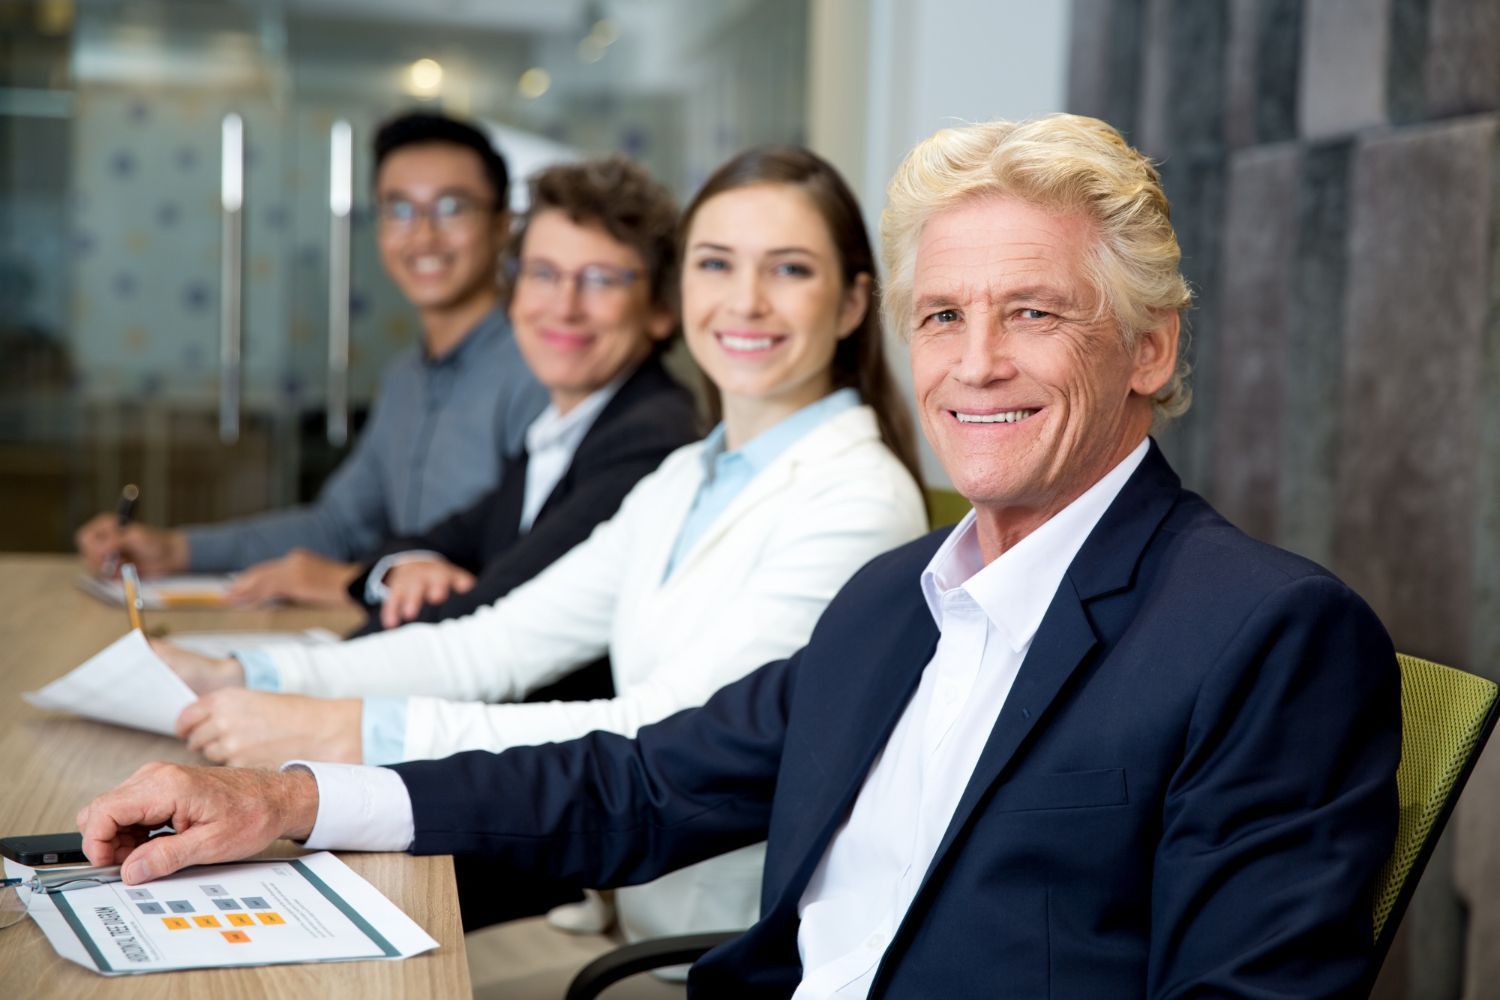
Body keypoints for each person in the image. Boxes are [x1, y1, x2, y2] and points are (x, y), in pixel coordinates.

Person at [79, 115, 1401, 997]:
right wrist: (294, 802)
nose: (975, 362)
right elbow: (640, 779)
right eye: (945, 316)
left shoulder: (1268, 637)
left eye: (1035, 314)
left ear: (1149, 351)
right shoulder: (903, 599)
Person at [145, 146, 929, 945]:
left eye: (790, 270)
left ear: (852, 303)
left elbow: (658, 737)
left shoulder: (857, 501)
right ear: (684, 288)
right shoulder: (688, 475)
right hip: (627, 908)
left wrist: (342, 733)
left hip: (728, 949)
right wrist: (252, 673)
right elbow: (493, 645)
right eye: (717, 263)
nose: (746, 300)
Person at [73, 111, 548, 608]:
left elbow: (530, 569)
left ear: (502, 226)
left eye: (452, 207)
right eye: (399, 209)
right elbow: (338, 526)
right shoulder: (406, 378)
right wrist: (176, 549)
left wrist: (343, 582)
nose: (423, 236)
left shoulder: (538, 371)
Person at [343, 155, 697, 637]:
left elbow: (492, 622)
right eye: (543, 274)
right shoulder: (561, 430)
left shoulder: (647, 440)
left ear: (661, 309)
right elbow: (414, 546)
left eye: (600, 280)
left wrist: (275, 675)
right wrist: (408, 569)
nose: (564, 307)